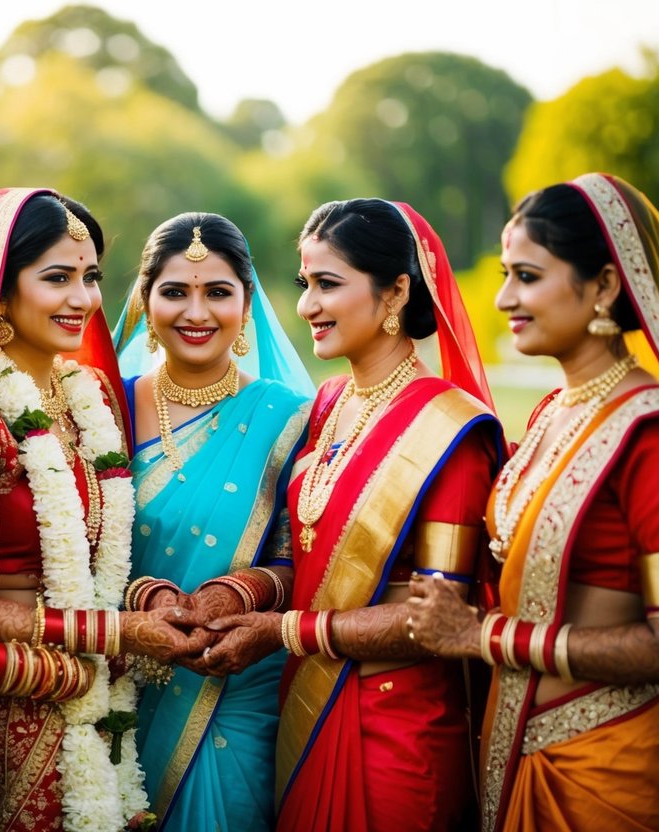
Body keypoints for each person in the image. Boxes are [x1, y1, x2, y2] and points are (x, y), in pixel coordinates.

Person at [407, 173, 659, 832]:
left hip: (610, 762)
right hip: (514, 744)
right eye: (506, 273)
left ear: (601, 285)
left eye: (527, 275)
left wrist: (480, 635)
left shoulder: (654, 435)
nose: (504, 296)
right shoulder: (549, 414)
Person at [197, 199, 503, 831]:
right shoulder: (331, 402)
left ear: (396, 292)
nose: (307, 305)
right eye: (304, 284)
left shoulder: (450, 430)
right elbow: (303, 552)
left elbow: (433, 620)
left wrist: (281, 633)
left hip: (395, 731)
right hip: (310, 707)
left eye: (328, 284)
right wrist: (240, 593)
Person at [0, 188, 194, 831]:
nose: (82, 299)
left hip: (102, 689)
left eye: (90, 278)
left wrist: (148, 601)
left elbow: (98, 561)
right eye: (57, 278)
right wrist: (118, 634)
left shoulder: (93, 397)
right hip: (23, 699)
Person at [111, 211, 314, 831]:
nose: (196, 312)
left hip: (237, 679)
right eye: (175, 291)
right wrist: (148, 596)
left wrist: (239, 589)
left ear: (247, 303)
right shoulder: (104, 407)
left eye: (218, 292)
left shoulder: (289, 417)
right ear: (145, 302)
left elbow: (294, 554)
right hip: (120, 670)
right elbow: (78, 548)